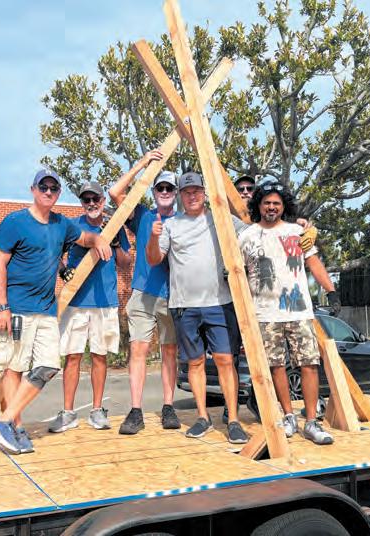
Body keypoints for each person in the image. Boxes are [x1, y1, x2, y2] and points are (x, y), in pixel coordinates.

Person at [0, 170, 112, 455]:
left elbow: (84, 237)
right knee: (14, 368)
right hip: (17, 308)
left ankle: (3, 422)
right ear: (33, 189)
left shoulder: (61, 224)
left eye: (54, 188)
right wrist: (1, 307)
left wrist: (98, 240)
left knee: (48, 366)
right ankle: (15, 428)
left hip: (46, 309)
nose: (49, 192)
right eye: (44, 186)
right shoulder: (15, 222)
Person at [147, 172, 249, 445]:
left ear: (204, 193)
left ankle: (234, 420)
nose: (192, 196)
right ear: (180, 196)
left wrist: (297, 226)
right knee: (195, 362)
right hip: (184, 306)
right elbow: (154, 259)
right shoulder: (171, 225)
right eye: (186, 192)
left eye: (196, 191)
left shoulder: (221, 218)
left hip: (219, 302)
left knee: (225, 360)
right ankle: (203, 417)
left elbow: (254, 233)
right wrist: (153, 238)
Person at [238, 181, 340, 444]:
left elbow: (313, 262)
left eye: (276, 203)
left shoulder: (297, 232)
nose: (271, 207)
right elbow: (238, 273)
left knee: (309, 364)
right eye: (267, 203)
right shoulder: (247, 236)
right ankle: (288, 416)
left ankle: (312, 422)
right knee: (276, 366)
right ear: (258, 205)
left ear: (283, 207)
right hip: (265, 313)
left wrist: (331, 290)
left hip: (298, 311)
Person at [108, 150, 181, 434]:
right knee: (138, 348)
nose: (164, 192)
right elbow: (115, 192)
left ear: (176, 193)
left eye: (169, 188)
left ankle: (168, 407)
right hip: (143, 294)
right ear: (153, 191)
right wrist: (142, 163)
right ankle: (136, 410)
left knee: (169, 351)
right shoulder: (141, 216)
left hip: (173, 294)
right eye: (160, 187)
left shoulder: (184, 220)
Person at [49, 180, 132, 433]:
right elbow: (55, 255)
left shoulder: (114, 226)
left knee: (99, 356)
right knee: (72, 356)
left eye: (96, 199)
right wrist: (63, 271)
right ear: (82, 203)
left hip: (105, 303)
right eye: (87, 199)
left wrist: (115, 242)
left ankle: (97, 411)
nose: (92, 203)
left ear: (103, 201)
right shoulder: (73, 226)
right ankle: (68, 413)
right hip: (75, 302)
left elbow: (125, 263)